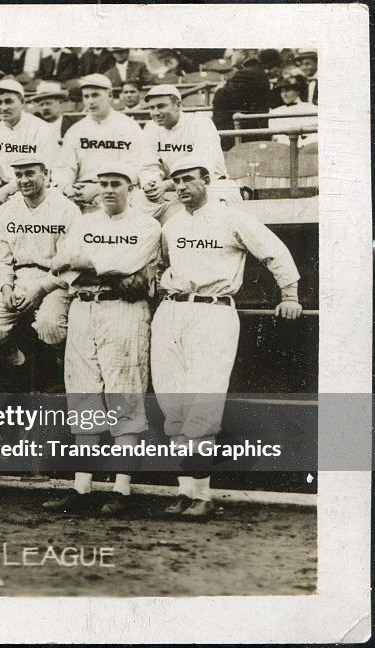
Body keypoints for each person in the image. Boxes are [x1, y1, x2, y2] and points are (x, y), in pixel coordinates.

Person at [152, 158, 301, 519]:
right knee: (171, 400)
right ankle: (185, 492)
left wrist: (290, 295)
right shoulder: (172, 224)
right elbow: (159, 266)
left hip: (213, 310)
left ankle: (202, 496)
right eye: (177, 182)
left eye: (189, 179)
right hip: (172, 310)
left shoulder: (232, 216)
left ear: (207, 180)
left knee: (202, 398)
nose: (183, 186)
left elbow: (273, 251)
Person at [43, 164, 161, 515]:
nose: (109, 189)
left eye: (117, 183)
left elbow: (126, 264)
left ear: (131, 187)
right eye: (104, 183)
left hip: (123, 311)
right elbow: (61, 264)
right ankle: (82, 488)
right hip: (83, 307)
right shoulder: (85, 222)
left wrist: (87, 264)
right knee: (83, 394)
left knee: (124, 393)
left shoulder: (146, 224)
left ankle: (122, 489)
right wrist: (95, 267)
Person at [0, 157, 79, 376]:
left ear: (45, 174)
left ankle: (61, 367)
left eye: (30, 173)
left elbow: (71, 262)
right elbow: (2, 259)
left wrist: (41, 289)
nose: (24, 180)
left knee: (50, 327)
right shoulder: (6, 210)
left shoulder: (66, 209)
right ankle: (20, 366)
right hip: (19, 279)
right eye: (19, 175)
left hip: (54, 281)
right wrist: (6, 288)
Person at [55, 74, 151, 205]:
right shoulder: (76, 130)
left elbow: (133, 168)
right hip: (81, 191)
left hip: (118, 191)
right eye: (86, 96)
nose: (90, 101)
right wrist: (68, 188)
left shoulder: (129, 126)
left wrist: (98, 190)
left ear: (110, 95)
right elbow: (64, 167)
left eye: (95, 95)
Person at [139, 84, 228, 223]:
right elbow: (149, 165)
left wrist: (168, 185)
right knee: (138, 200)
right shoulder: (151, 128)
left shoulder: (200, 122)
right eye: (151, 108)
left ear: (178, 105)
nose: (155, 112)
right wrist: (151, 183)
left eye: (161, 106)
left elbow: (202, 167)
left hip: (209, 186)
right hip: (174, 188)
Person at [0, 79, 60, 211]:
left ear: (22, 101)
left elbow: (44, 172)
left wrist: (7, 191)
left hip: (34, 192)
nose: (3, 108)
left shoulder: (42, 129)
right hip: (0, 193)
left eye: (9, 101)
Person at [268, 76, 318, 147]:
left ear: (298, 91)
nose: (284, 94)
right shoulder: (275, 112)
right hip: (285, 149)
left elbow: (315, 132)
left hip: (308, 148)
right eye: (281, 91)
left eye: (287, 90)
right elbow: (277, 136)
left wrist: (304, 144)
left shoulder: (311, 108)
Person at [30, 81, 68, 147]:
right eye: (41, 105)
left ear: (60, 102)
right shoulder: (33, 126)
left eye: (49, 103)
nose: (45, 108)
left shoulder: (73, 125)